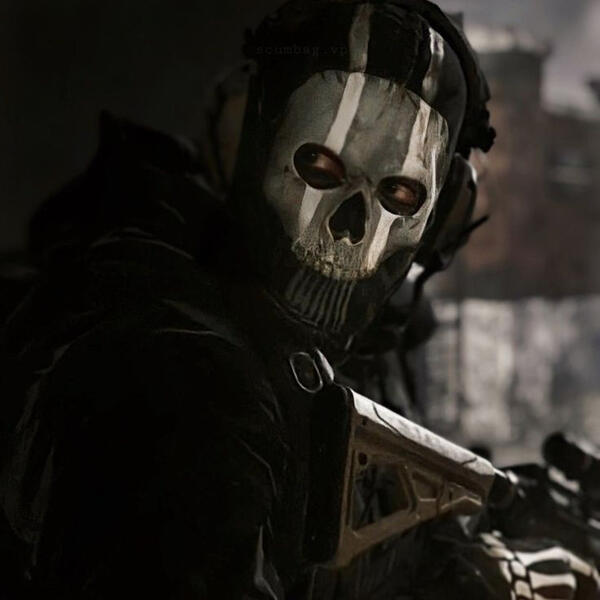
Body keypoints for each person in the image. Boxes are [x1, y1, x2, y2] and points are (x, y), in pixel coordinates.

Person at [1, 1, 598, 598]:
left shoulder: (321, 350)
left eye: (398, 194)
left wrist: (480, 521)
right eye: (319, 165)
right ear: (249, 145)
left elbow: (322, 533)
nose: (350, 227)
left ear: (439, 220)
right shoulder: (179, 375)